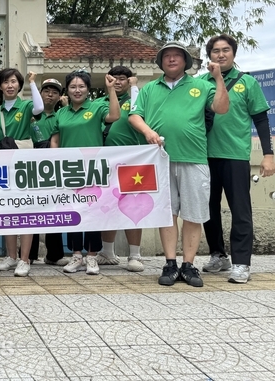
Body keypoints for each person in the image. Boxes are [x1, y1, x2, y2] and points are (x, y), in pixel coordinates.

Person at [129, 41, 229, 287]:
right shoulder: (149, 88)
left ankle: (189, 264)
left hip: (194, 157)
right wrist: (148, 131)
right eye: (167, 56)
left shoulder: (201, 85)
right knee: (167, 213)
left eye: (177, 55)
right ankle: (170, 263)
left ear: (186, 61)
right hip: (159, 159)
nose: (172, 59)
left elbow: (221, 108)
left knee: (194, 214)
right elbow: (134, 115)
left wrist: (218, 79)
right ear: (161, 62)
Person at [200, 34, 274, 283]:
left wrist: (268, 154)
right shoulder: (200, 83)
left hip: (235, 155)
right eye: (215, 51)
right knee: (208, 209)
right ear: (209, 55)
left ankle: (242, 263)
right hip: (203, 156)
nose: (220, 55)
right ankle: (218, 255)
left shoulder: (247, 83)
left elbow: (261, 120)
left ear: (233, 53)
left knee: (240, 211)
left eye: (226, 50)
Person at [50, 70, 120, 276]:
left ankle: (92, 256)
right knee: (73, 212)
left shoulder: (97, 107)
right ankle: (76, 255)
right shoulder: (61, 113)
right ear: (67, 90)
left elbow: (114, 116)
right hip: (69, 170)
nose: (77, 90)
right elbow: (55, 139)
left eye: (81, 86)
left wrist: (111, 90)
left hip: (93, 170)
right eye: (73, 87)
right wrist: (55, 159)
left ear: (88, 89)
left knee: (93, 212)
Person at [0, 68, 43, 277]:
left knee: (26, 211)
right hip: (3, 164)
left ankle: (24, 259)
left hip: (24, 163)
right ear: (0, 86)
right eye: (6, 82)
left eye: (13, 81)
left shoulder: (27, 105)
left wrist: (33, 83)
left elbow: (40, 107)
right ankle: (11, 256)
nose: (10, 85)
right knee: (8, 211)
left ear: (19, 85)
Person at [94, 66, 146, 272]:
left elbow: (139, 114)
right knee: (107, 205)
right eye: (113, 78)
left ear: (129, 81)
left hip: (131, 161)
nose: (117, 82)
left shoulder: (136, 100)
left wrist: (135, 88)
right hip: (105, 162)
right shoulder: (99, 103)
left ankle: (135, 254)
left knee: (133, 206)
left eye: (122, 78)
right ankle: (107, 252)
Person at [33, 78, 69, 267]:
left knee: (54, 209)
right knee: (31, 209)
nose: (50, 95)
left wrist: (67, 106)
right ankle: (29, 255)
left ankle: (54, 255)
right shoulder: (31, 113)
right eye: (46, 91)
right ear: (40, 93)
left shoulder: (62, 115)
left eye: (54, 92)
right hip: (31, 166)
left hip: (55, 167)